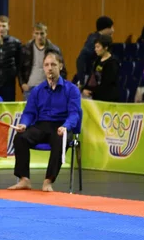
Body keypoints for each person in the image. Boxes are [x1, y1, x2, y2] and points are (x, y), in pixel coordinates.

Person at [8, 50, 81, 192]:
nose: (49, 68)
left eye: (53, 64)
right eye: (46, 65)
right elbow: (29, 112)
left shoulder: (71, 89)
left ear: (60, 66)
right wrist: (24, 124)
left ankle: (48, 181)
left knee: (60, 140)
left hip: (62, 126)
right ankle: (24, 179)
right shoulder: (37, 90)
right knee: (20, 138)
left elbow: (74, 114)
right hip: (42, 125)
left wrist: (66, 126)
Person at [19, 22, 64, 101]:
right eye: (37, 33)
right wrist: (22, 84)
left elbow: (62, 69)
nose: (39, 36)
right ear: (33, 34)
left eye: (42, 33)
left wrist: (57, 85)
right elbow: (20, 68)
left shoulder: (54, 49)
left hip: (48, 87)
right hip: (30, 88)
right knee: (30, 112)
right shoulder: (25, 49)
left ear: (46, 33)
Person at [75, 16, 114, 87]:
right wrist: (82, 81)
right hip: (88, 79)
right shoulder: (93, 41)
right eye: (111, 28)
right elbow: (81, 59)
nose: (113, 30)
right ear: (105, 29)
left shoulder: (96, 39)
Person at [81, 35, 120, 102]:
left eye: (98, 47)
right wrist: (86, 88)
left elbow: (107, 83)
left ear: (106, 47)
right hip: (97, 96)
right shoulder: (98, 60)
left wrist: (93, 91)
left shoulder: (112, 62)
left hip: (108, 98)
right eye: (95, 47)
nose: (95, 49)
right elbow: (93, 76)